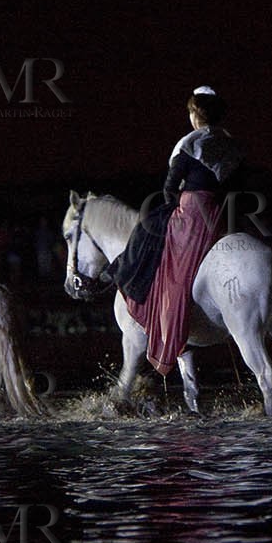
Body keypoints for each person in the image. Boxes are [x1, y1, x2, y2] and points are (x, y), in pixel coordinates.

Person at [111, 85, 242, 374]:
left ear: (196, 114)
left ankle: (148, 302)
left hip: (192, 210)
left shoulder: (189, 142)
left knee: (148, 234)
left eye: (191, 113)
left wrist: (174, 204)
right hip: (219, 211)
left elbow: (170, 186)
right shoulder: (229, 143)